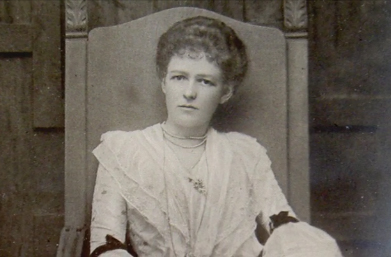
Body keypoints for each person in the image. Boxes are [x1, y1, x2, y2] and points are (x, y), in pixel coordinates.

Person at [90, 16, 342, 257]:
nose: (189, 92)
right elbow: (105, 244)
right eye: (179, 77)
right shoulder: (123, 151)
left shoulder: (246, 153)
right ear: (164, 82)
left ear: (226, 92)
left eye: (205, 81)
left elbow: (284, 224)